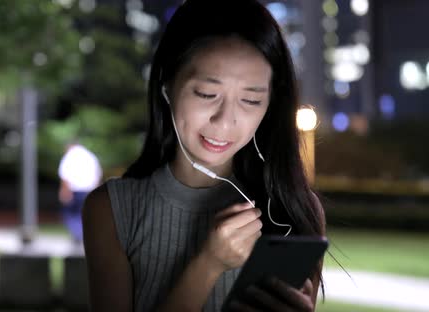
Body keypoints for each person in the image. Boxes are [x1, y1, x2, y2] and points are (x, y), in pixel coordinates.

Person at [82, 0, 326, 311]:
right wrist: (208, 264)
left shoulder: (294, 209)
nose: (225, 121)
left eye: (251, 100)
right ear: (167, 85)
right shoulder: (112, 211)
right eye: (207, 94)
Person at [58, 142, 102, 245]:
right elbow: (97, 175)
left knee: (71, 213)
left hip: (74, 190)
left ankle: (77, 234)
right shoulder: (91, 156)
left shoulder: (69, 156)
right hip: (89, 190)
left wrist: (64, 191)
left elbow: (65, 175)